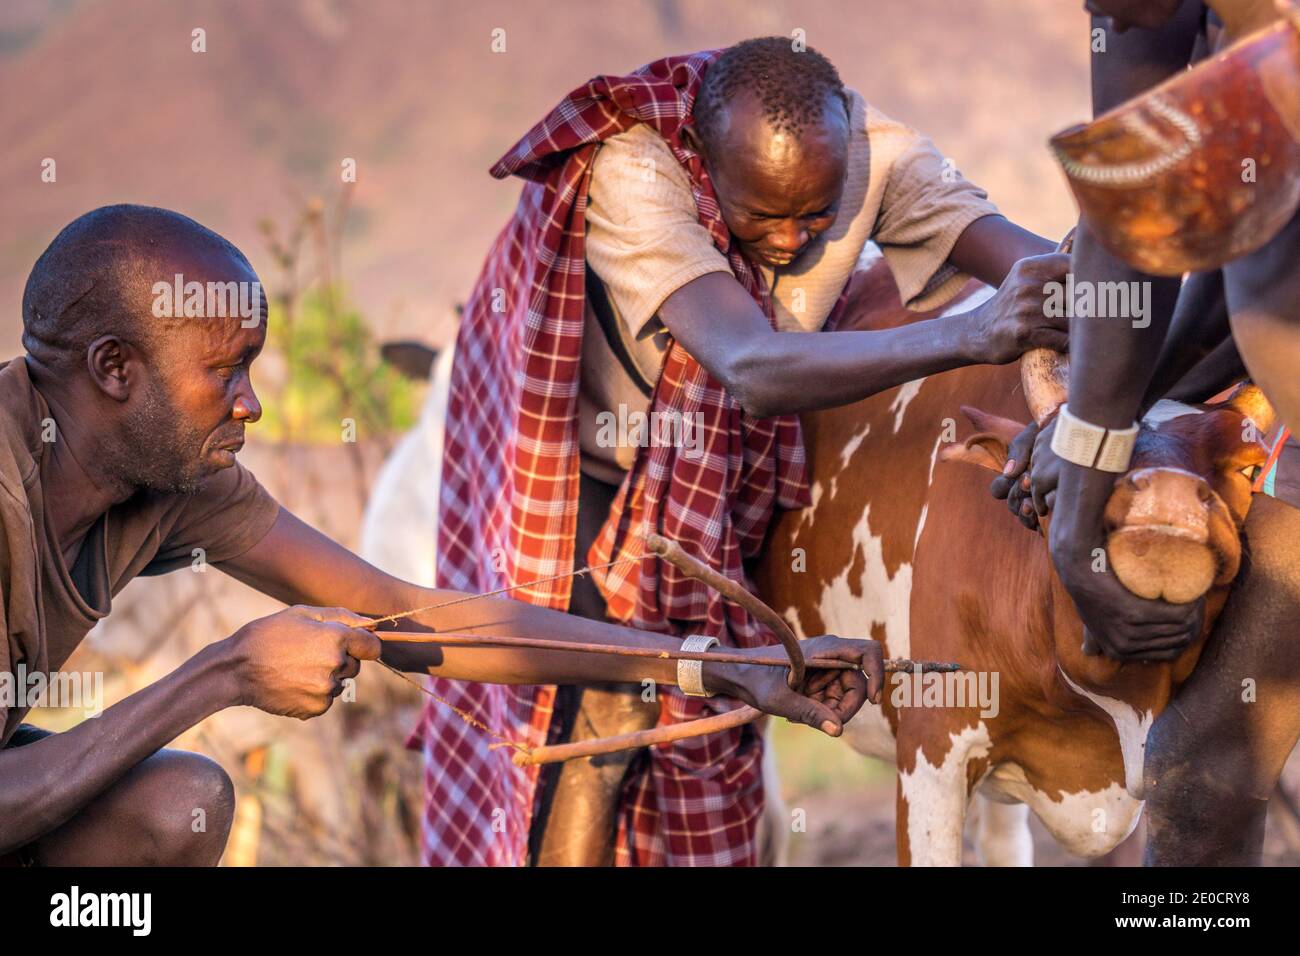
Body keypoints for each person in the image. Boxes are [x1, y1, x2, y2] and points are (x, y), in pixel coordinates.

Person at [0, 204, 884, 867]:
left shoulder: (176, 483)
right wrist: (224, 672)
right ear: (114, 369)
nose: (252, 404)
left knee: (176, 803)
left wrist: (712, 663)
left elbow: (408, 615)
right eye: (223, 372)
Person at [434, 35, 1072, 866]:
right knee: (598, 713)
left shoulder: (876, 157)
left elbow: (1035, 270)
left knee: (715, 711)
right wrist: (976, 333)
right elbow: (751, 368)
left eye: (818, 212)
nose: (794, 239)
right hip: (584, 460)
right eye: (762, 215)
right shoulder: (637, 172)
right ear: (704, 162)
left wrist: (1084, 303)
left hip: (719, 469)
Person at [997, 0, 1300, 864]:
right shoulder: (1171, 24)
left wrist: (1092, 440)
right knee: (1203, 772)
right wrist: (1086, 438)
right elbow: (1149, 229)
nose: (1093, 10)